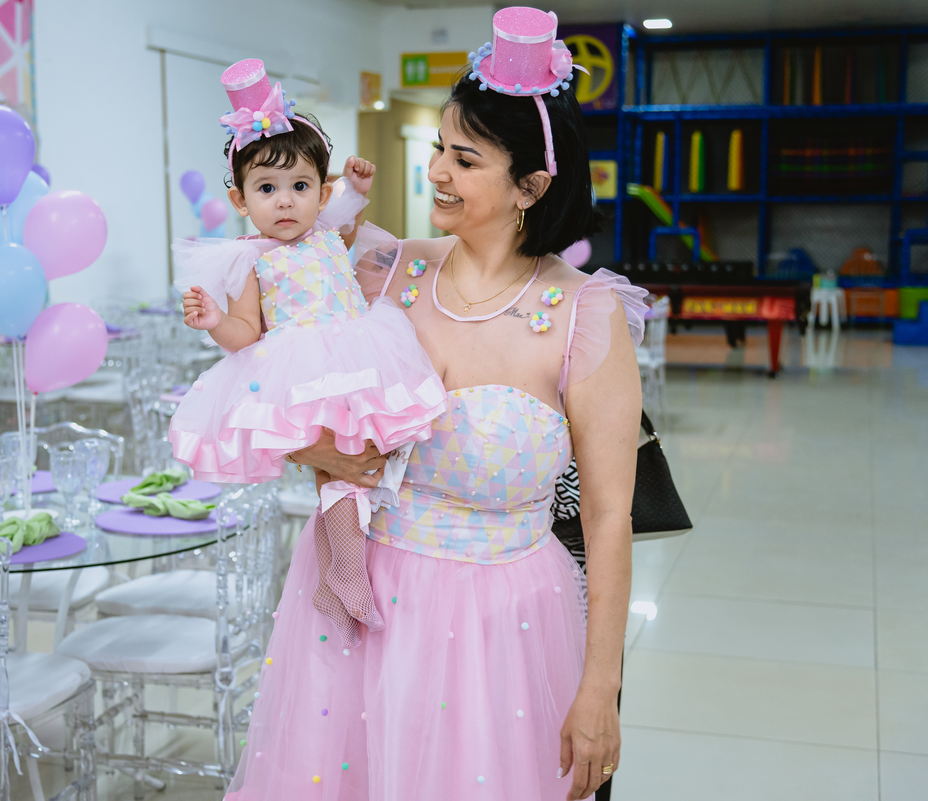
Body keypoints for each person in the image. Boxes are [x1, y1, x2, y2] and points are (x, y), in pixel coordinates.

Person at [226, 7, 645, 801]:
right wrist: (320, 454)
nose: (437, 172)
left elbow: (608, 516)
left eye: (464, 158)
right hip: (359, 604)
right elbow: (275, 384)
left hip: (501, 630)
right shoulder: (386, 266)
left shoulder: (584, 314)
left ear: (531, 183)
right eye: (439, 151)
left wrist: (601, 684)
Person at [168, 59, 448, 647]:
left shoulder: (327, 231)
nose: (286, 202)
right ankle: (345, 573)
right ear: (240, 200)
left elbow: (350, 214)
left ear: (321, 194)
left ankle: (337, 573)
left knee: (365, 459)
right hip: (298, 366)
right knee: (337, 463)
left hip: (359, 348)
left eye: (300, 187)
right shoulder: (250, 257)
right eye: (267, 189)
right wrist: (216, 320)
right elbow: (246, 331)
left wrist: (361, 188)